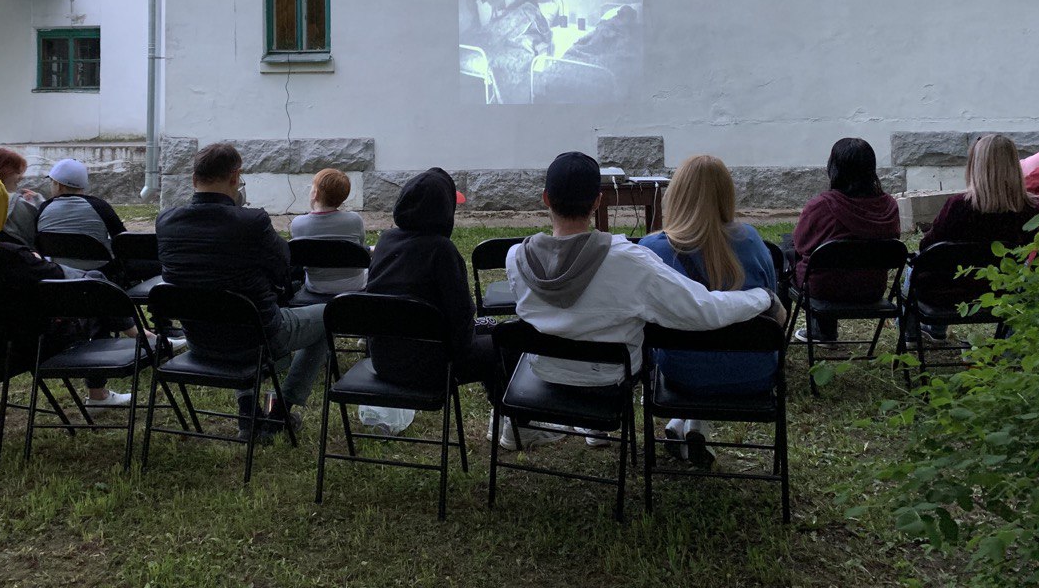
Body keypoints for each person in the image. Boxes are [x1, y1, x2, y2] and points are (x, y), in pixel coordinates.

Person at [504, 152, 784, 451]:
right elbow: (701, 310)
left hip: (545, 371)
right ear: (598, 201)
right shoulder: (628, 261)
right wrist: (761, 297)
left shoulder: (515, 259)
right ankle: (600, 426)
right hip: (608, 379)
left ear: (546, 198)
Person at [157, 143, 327, 441]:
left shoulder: (166, 221)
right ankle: (281, 412)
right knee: (328, 315)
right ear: (235, 177)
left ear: (194, 179)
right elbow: (283, 265)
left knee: (232, 307)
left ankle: (248, 411)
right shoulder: (251, 222)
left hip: (199, 338)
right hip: (258, 338)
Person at [0, 172, 130, 410]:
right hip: (38, 342)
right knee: (94, 290)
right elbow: (69, 279)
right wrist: (35, 260)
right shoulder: (8, 257)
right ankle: (100, 391)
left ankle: (138, 335)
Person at [638, 155, 778, 469]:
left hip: (683, 374)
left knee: (693, 348)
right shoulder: (753, 242)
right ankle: (689, 426)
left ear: (676, 195)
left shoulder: (650, 251)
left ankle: (683, 421)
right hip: (753, 374)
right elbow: (772, 303)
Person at [365, 168, 494, 392]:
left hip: (383, 360)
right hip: (435, 365)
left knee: (488, 330)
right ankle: (506, 413)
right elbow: (461, 313)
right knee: (507, 344)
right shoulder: (441, 250)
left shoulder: (385, 241)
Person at [906, 134, 1039, 344]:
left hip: (943, 292)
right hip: (1001, 292)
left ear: (975, 166)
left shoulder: (958, 206)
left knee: (914, 266)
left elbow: (927, 248)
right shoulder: (1029, 210)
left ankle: (912, 334)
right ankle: (1007, 345)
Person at [790, 138, 900, 345]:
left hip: (823, 289)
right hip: (871, 288)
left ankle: (803, 333)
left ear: (834, 168)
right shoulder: (889, 206)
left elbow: (801, 244)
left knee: (785, 260)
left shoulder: (822, 206)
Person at [35, 159, 127, 273]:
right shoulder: (100, 207)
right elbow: (122, 239)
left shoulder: (44, 208)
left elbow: (36, 239)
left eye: (52, 182)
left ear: (58, 185)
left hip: (59, 273)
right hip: (101, 273)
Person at [289, 168, 368, 295]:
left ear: (315, 193)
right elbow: (361, 246)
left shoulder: (298, 223)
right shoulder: (354, 220)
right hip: (355, 285)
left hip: (316, 286)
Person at [0, 147, 42, 248]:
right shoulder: (18, 204)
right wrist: (39, 203)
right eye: (18, 172)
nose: (22, 177)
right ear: (3, 171)